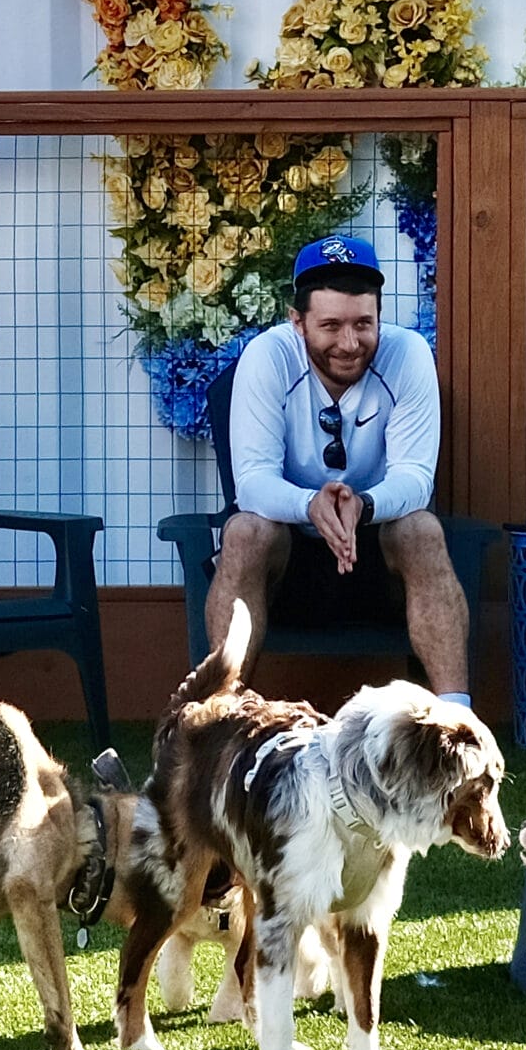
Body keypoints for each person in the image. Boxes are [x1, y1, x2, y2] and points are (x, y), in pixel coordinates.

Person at [214, 235, 472, 702]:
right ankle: (217, 719)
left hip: (377, 551)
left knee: (422, 529)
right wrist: (310, 504)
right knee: (244, 532)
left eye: (363, 324)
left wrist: (364, 506)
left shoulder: (409, 352)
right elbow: (251, 483)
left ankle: (458, 721)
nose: (350, 343)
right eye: (331, 325)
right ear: (298, 321)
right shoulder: (267, 356)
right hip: (290, 560)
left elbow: (416, 478)